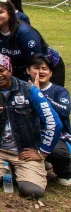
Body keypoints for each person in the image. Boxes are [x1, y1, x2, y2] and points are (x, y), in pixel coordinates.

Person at [0, 54, 61, 199]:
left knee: (32, 191)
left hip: (26, 149)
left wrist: (42, 153)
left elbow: (54, 123)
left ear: (10, 69)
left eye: (1, 70)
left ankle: (23, 170)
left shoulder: (29, 90)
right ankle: (9, 168)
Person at [0, 0, 64, 86]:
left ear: (10, 14)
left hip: (45, 68)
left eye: (0, 12)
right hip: (19, 69)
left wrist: (31, 85)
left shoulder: (26, 34)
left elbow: (36, 63)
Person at [27, 55, 71, 186]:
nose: (40, 72)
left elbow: (64, 111)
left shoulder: (59, 91)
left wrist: (39, 94)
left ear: (51, 73)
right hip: (30, 133)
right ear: (28, 71)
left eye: (44, 69)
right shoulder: (22, 89)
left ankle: (65, 172)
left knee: (59, 153)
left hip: (57, 135)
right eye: (36, 68)